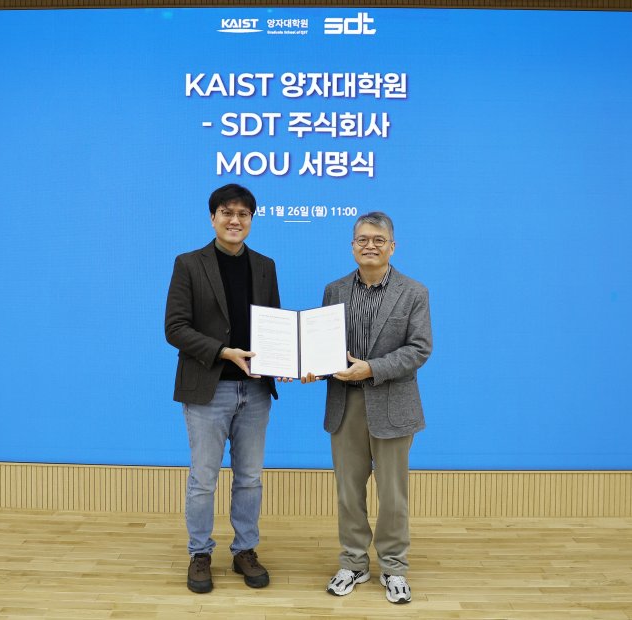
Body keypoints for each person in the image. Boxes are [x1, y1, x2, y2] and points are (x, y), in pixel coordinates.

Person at [302, 211, 432, 604]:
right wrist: (309, 366)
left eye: (378, 239)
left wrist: (371, 368)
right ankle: (353, 562)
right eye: (362, 239)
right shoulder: (334, 290)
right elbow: (323, 347)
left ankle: (394, 567)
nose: (370, 245)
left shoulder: (414, 292)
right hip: (345, 405)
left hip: (393, 405)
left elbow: (419, 349)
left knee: (392, 495)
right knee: (348, 493)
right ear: (352, 246)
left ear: (392, 246)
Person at [165, 183, 280, 594]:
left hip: (256, 392)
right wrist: (223, 352)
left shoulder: (264, 265)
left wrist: (283, 362)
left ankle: (245, 549)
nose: (235, 220)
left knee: (250, 478)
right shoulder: (188, 264)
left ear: (251, 220)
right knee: (203, 479)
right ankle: (200, 553)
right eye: (227, 213)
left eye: (243, 214)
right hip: (208, 389)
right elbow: (175, 328)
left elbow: (274, 324)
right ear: (212, 217)